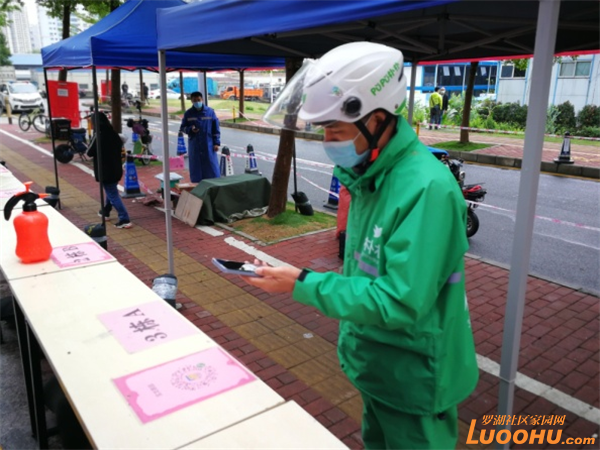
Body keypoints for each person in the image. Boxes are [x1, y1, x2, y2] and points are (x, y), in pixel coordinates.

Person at [251, 42, 478, 450]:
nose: (328, 141)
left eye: (335, 130)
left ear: (376, 119)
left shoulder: (427, 189)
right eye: (323, 129)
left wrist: (302, 283)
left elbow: (399, 300)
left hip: (414, 376)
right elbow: (364, 274)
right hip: (376, 366)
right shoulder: (369, 175)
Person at [86, 112, 132, 229]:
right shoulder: (114, 134)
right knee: (111, 191)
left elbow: (89, 152)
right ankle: (105, 211)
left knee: (113, 194)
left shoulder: (99, 135)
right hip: (116, 168)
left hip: (105, 171)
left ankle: (124, 218)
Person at [179, 92, 221, 183]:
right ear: (191, 101)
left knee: (212, 169)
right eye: (194, 100)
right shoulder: (188, 114)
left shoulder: (210, 112)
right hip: (195, 146)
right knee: (196, 170)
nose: (197, 102)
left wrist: (216, 143)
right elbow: (183, 128)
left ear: (202, 99)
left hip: (208, 145)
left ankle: (213, 186)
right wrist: (190, 129)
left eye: (198, 100)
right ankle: (197, 187)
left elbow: (216, 128)